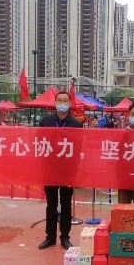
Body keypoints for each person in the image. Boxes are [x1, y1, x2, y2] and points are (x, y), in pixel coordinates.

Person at [38, 90, 83, 250]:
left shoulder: (76, 124)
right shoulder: (45, 121)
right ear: (55, 102)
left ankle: (65, 237)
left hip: (67, 171)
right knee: (51, 204)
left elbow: (78, 149)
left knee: (65, 204)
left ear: (70, 104)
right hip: (50, 168)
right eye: (59, 100)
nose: (62, 103)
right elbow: (39, 143)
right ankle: (50, 237)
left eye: (65, 101)